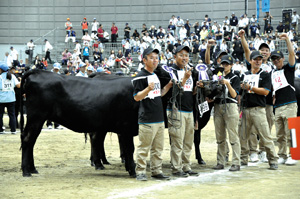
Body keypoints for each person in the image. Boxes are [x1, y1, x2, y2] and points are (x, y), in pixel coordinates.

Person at [239, 29, 279, 170]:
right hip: (245, 108)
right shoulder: (245, 74)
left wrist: (250, 88)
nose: (257, 61)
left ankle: (273, 160)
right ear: (250, 61)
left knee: (265, 136)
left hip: (259, 109)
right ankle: (243, 159)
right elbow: (239, 92)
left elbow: (266, 92)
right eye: (255, 59)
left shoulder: (265, 74)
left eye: (259, 59)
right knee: (243, 136)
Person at [132, 47, 172, 181]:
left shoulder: (155, 75)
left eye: (156, 58)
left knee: (158, 148)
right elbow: (137, 97)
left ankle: (156, 171)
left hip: (159, 118)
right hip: (147, 119)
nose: (155, 60)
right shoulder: (140, 76)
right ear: (144, 60)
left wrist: (169, 86)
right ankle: (141, 172)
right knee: (144, 148)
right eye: (151, 58)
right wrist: (147, 89)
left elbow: (158, 94)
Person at [167, 46, 198, 177]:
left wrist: (197, 87)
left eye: (186, 55)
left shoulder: (190, 70)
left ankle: (186, 166)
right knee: (177, 141)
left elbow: (191, 92)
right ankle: (176, 167)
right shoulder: (169, 70)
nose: (184, 58)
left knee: (188, 141)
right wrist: (185, 78)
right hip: (176, 109)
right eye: (181, 55)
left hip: (189, 110)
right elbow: (174, 91)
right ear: (175, 57)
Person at [270, 33, 298, 165]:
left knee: (292, 131)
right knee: (280, 134)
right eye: (273, 59)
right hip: (278, 107)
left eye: (278, 58)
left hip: (290, 104)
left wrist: (287, 40)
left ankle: (295, 154)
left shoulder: (289, 69)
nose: (276, 61)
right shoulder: (273, 73)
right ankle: (282, 154)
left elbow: (292, 55)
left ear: (282, 59)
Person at [210, 55, 241, 171]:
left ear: (232, 65)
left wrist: (227, 83)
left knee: (233, 136)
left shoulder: (235, 77)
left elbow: (234, 95)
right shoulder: (217, 76)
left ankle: (236, 162)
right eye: (223, 64)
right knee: (220, 137)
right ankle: (220, 161)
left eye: (227, 64)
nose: (224, 66)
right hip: (218, 105)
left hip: (230, 105)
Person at [0, 62, 20, 135]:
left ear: (1, 70)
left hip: (1, 98)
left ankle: (1, 130)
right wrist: (21, 80)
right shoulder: (12, 76)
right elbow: (18, 86)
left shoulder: (0, 77)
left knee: (0, 115)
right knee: (12, 114)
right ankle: (13, 130)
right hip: (11, 98)